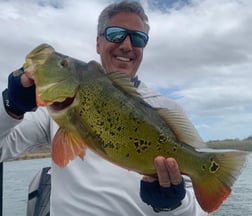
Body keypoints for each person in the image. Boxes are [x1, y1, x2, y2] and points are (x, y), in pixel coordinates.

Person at [0, 1, 208, 216]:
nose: (127, 45)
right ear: (98, 43)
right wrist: (11, 107)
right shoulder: (53, 110)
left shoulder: (166, 108)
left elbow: (201, 210)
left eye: (137, 38)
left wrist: (172, 204)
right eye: (116, 33)